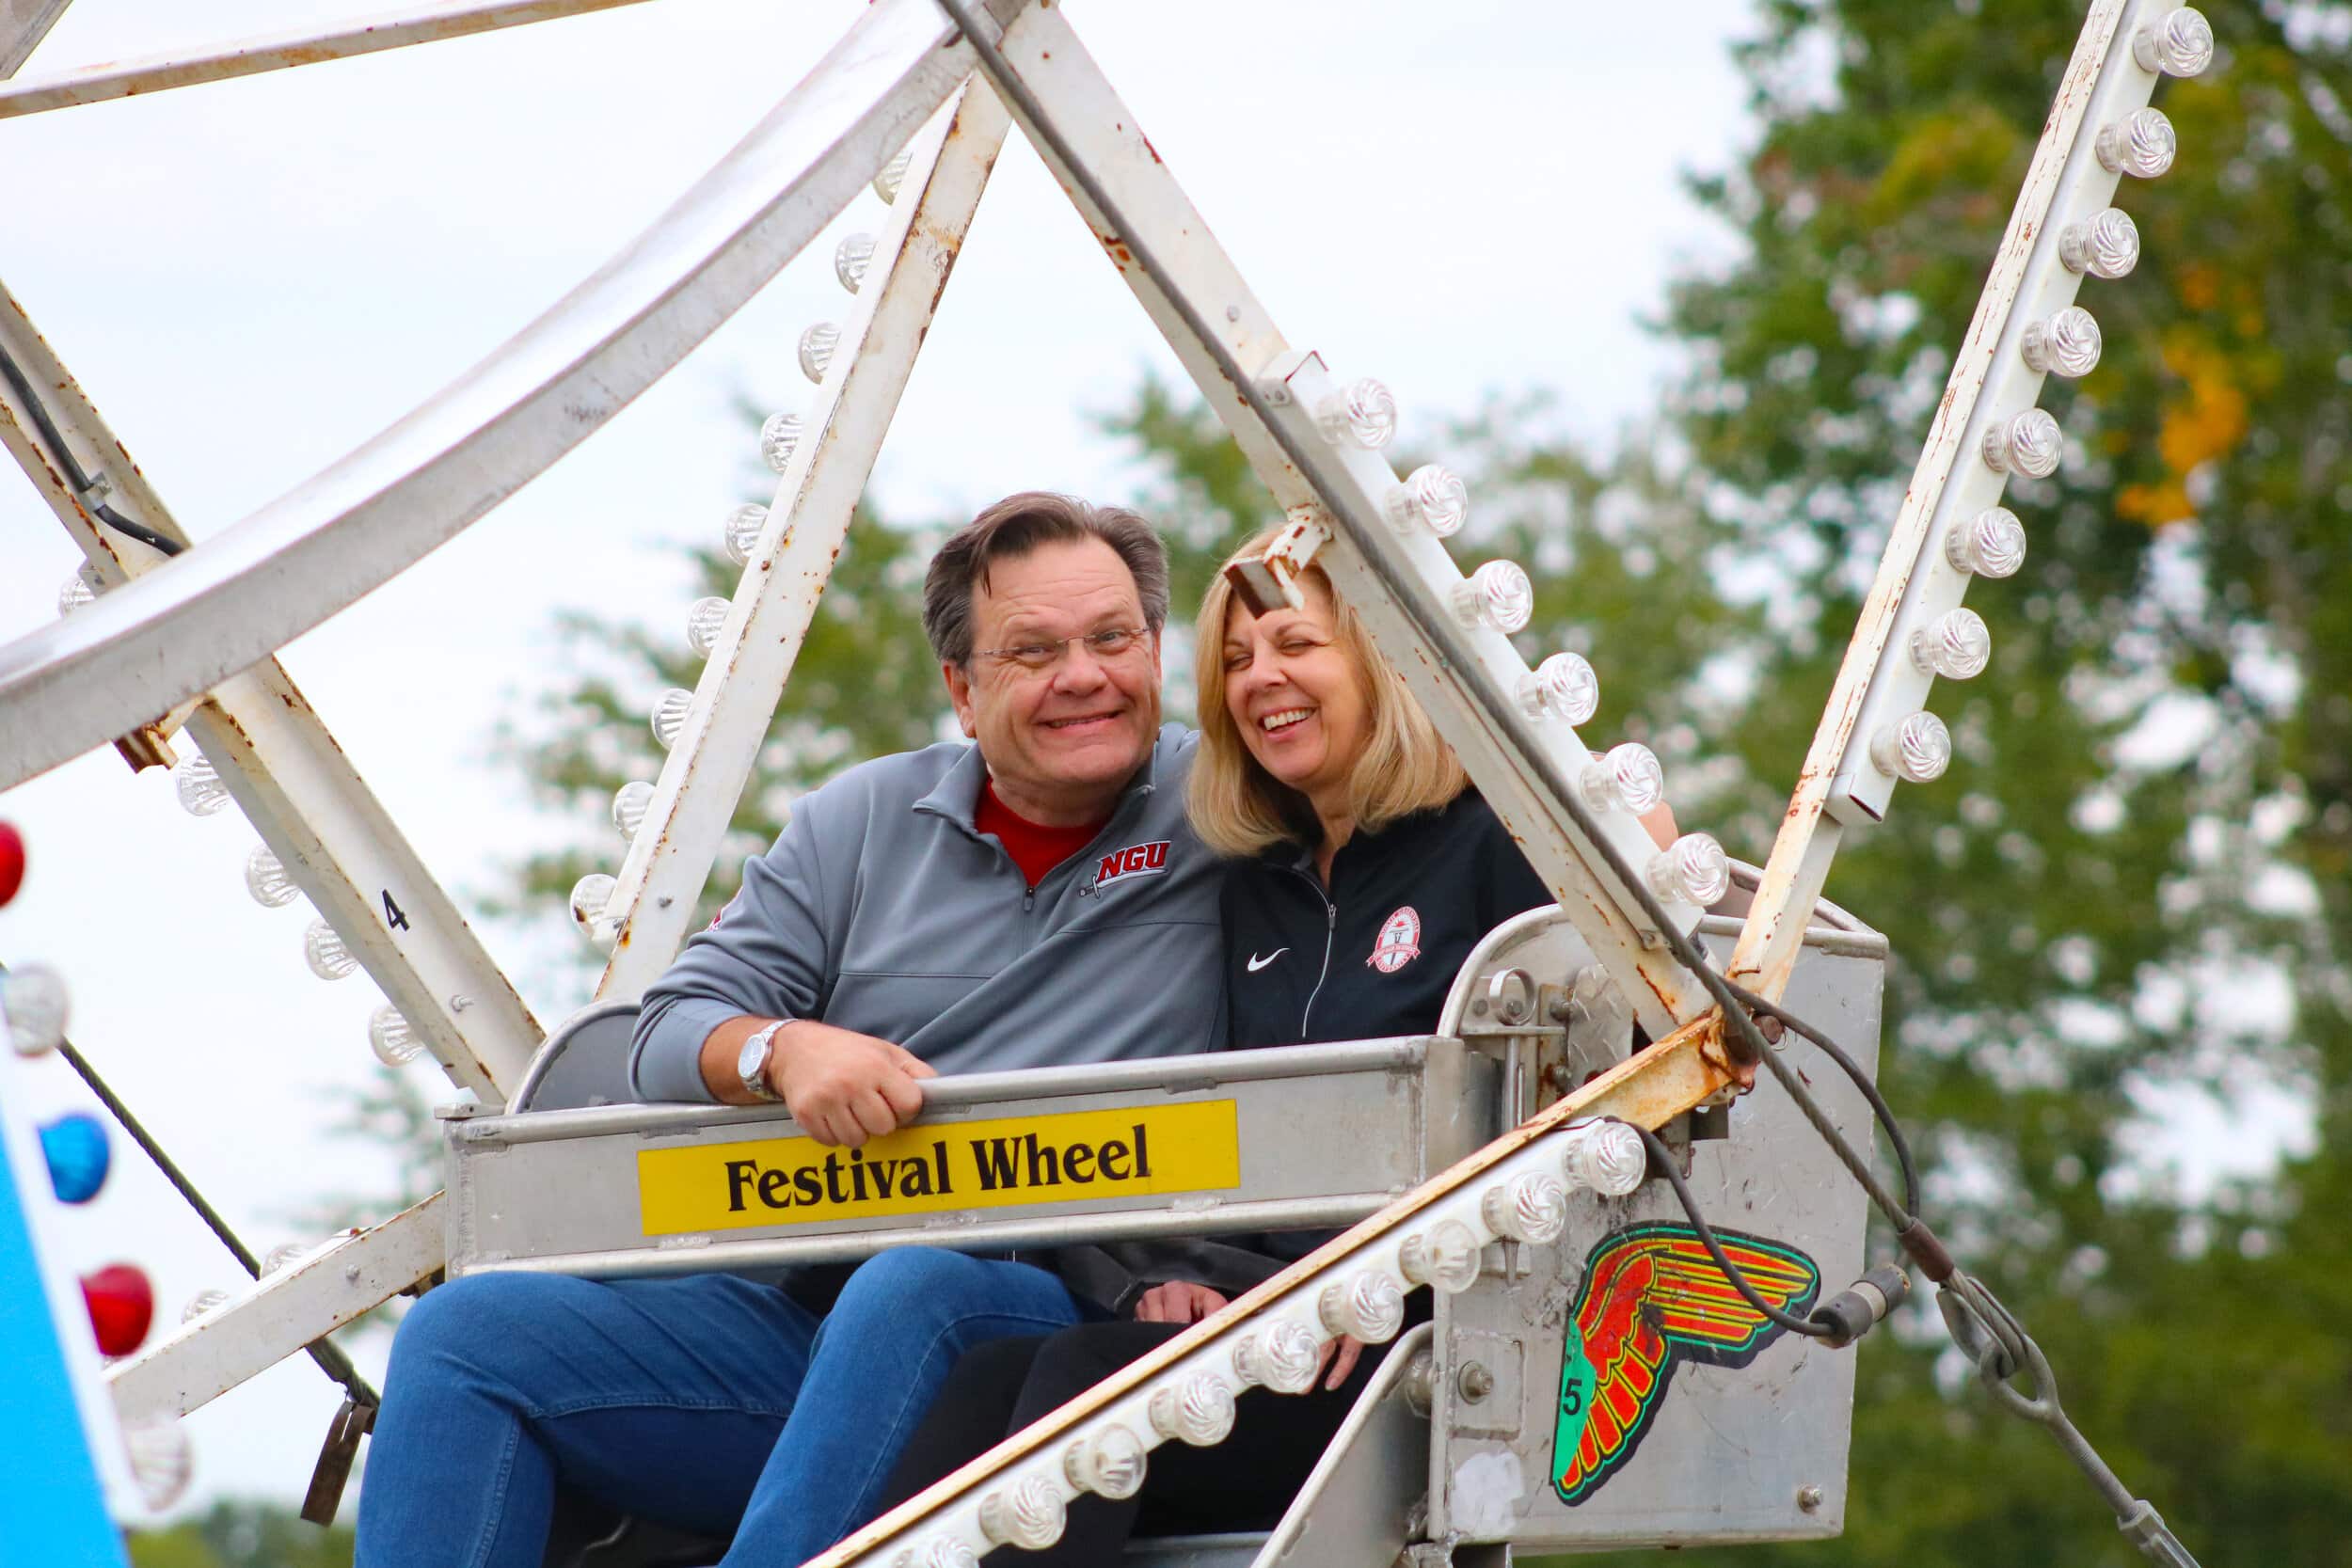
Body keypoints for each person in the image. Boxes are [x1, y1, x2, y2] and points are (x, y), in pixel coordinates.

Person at [355, 494, 1227, 1568]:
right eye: (1033, 650)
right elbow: (668, 1028)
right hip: (825, 1329)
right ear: (961, 688)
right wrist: (787, 1049)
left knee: (921, 1280)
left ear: (1156, 650)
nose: (1083, 675)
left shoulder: (1226, 799)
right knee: (463, 1335)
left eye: (1112, 638)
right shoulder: (855, 823)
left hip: (1059, 1321)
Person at [874, 531, 1680, 1556]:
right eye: (1235, 660)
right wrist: (1174, 1270)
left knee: (1084, 1391)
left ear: (1391, 661)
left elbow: (1626, 1055)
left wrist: (1398, 1269)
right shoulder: (1257, 882)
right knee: (993, 1379)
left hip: (1426, 1342)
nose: (1264, 680)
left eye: (1296, 642)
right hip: (1267, 1321)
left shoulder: (1496, 842)